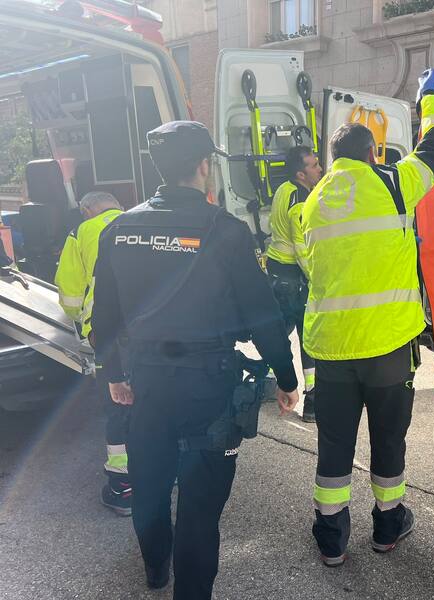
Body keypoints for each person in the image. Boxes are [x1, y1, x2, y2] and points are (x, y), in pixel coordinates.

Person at [92, 121, 299, 599]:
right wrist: (287, 378)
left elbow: (104, 315)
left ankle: (155, 571)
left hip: (146, 383)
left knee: (149, 485)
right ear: (205, 167)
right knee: (200, 510)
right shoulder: (225, 231)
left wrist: (115, 376)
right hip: (209, 387)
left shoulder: (120, 229)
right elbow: (262, 316)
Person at [301, 69, 434, 565]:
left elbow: (321, 264)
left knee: (334, 444)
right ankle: (387, 527)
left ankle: (331, 536)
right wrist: (430, 100)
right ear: (372, 154)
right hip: (388, 348)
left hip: (332, 351)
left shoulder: (313, 201)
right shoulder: (391, 182)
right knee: (388, 441)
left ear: (332, 159)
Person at [54, 191, 129, 515]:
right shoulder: (141, 221)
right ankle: (166, 471)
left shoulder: (82, 231)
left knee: (118, 404)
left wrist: (80, 322)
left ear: (86, 210)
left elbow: (70, 292)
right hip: (153, 330)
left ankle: (123, 485)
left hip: (108, 334)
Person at [265, 145, 323, 422]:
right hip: (294, 280)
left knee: (276, 334)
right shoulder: (300, 203)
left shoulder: (283, 190)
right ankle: (312, 401)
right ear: (301, 174)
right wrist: (318, 280)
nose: (320, 169)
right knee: (308, 341)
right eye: (314, 166)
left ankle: (266, 379)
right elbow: (303, 251)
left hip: (276, 273)